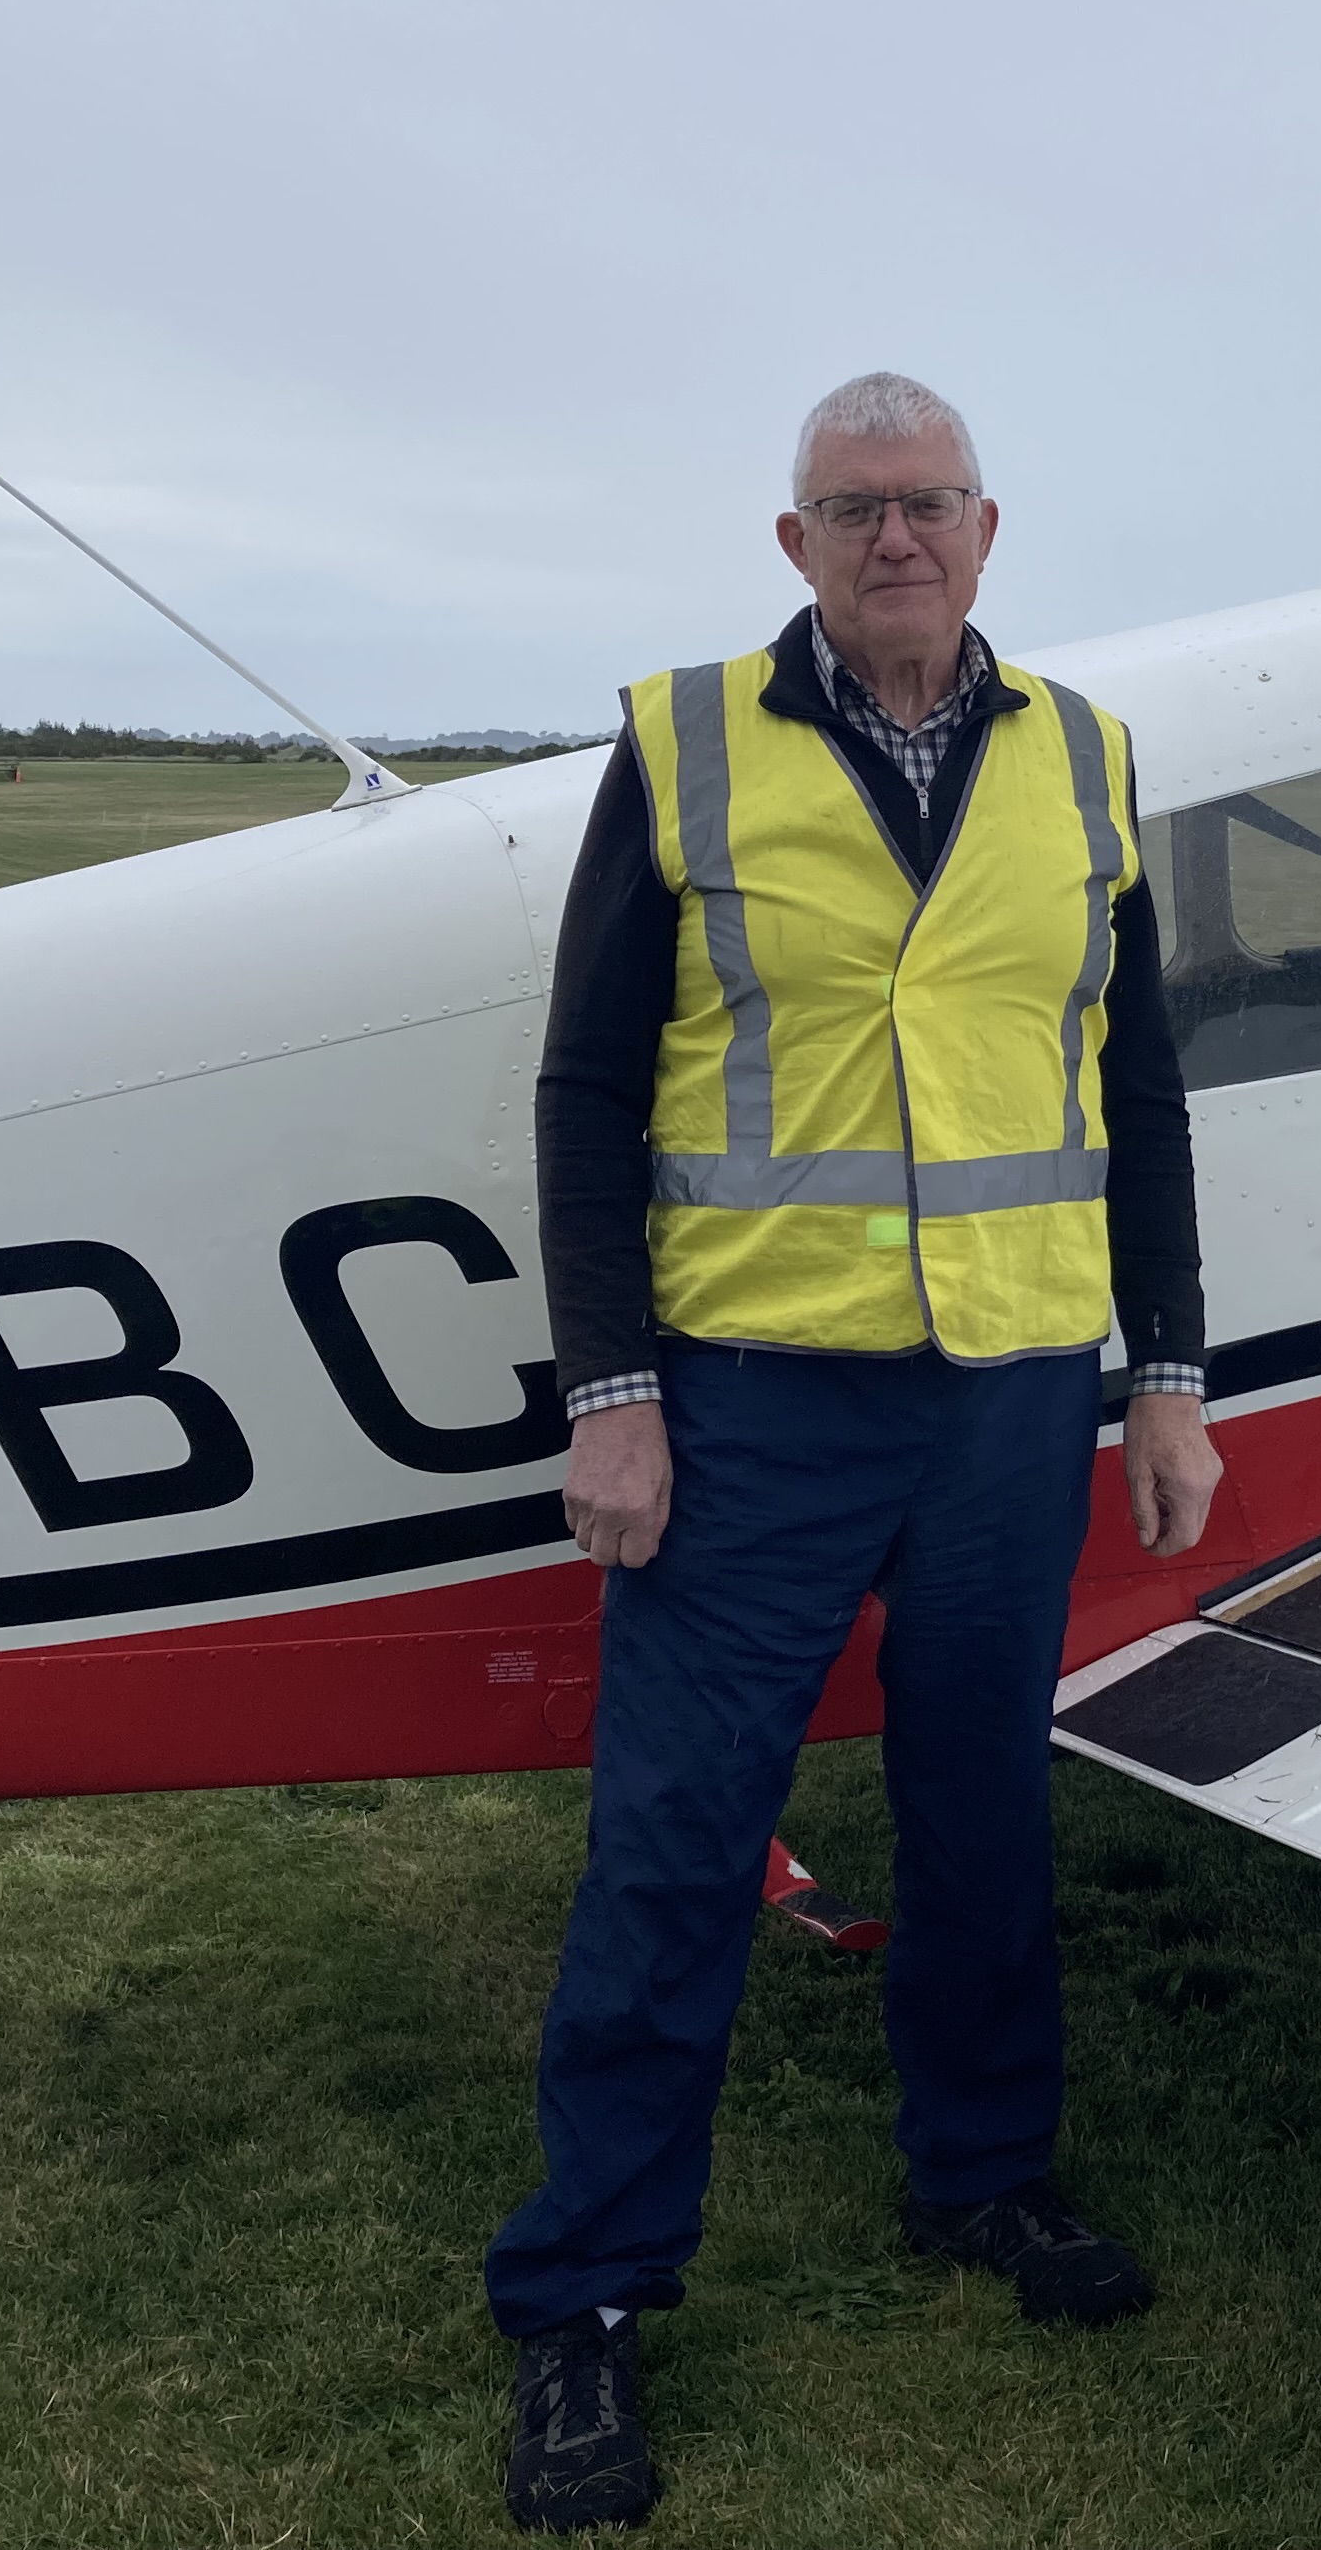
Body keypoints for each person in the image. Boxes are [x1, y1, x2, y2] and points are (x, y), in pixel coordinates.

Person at [492, 372, 1223, 2531]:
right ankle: (584, 2302)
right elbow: (583, 1087)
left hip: (1006, 1392)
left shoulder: (1080, 758)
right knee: (678, 1844)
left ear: (989, 530)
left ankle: (984, 2176)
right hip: (757, 1401)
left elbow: (1141, 1086)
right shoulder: (691, 744)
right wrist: (612, 1396)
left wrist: (1164, 1367)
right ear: (792, 544)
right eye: (851, 509)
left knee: (984, 1809)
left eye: (927, 505)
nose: (895, 538)